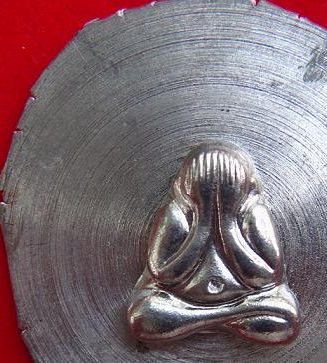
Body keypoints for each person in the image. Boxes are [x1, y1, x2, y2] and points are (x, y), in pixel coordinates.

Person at [128, 144, 299, 344]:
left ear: (243, 185)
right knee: (144, 315)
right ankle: (228, 317)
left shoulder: (254, 213)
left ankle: (196, 321)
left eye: (226, 185)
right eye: (204, 186)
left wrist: (227, 224)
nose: (215, 194)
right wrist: (202, 223)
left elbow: (264, 278)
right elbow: (164, 276)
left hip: (244, 300)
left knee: (286, 316)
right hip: (183, 301)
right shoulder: (176, 213)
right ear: (187, 185)